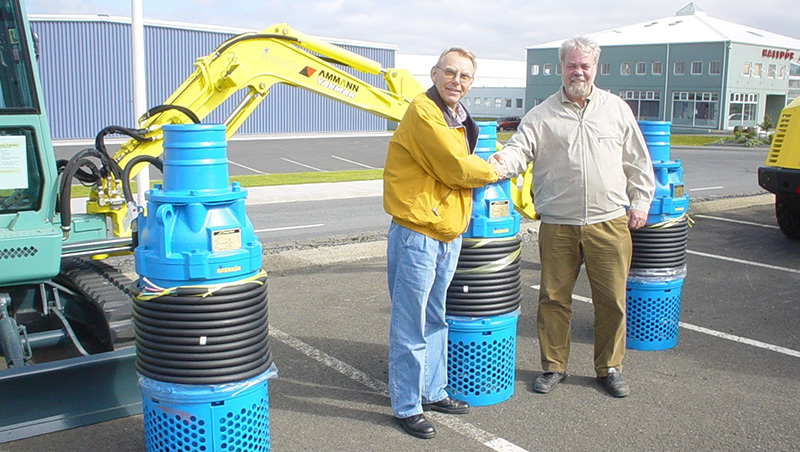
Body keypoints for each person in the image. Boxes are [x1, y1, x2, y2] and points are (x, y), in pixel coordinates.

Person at [489, 35, 655, 398]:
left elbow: (638, 161)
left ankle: (609, 367)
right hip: (558, 224)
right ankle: (553, 366)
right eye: (571, 65)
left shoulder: (616, 109)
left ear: (595, 67)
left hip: (609, 221)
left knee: (612, 300)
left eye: (584, 65)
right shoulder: (542, 114)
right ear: (560, 68)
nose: (578, 71)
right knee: (552, 298)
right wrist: (500, 163)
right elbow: (520, 150)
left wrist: (640, 203)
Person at [383, 47, 500, 439]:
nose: (457, 81)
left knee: (435, 319)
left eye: (465, 76)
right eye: (450, 73)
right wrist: (498, 169)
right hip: (418, 233)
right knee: (409, 323)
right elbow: (455, 167)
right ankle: (406, 405)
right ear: (434, 74)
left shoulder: (458, 117)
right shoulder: (424, 111)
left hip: (446, 234)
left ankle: (432, 391)